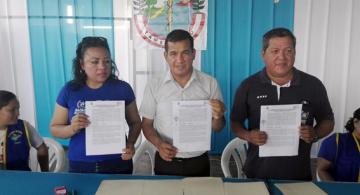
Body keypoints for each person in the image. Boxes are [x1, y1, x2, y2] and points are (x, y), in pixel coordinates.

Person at [230, 27, 334, 180]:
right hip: (257, 173)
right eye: (275, 51)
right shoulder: (248, 86)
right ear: (263, 54)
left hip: (298, 175)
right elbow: (235, 122)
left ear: (295, 53)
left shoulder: (313, 85)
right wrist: (248, 135)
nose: (282, 57)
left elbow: (328, 120)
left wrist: (315, 133)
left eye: (288, 51)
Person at [140, 29, 226, 176]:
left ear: (193, 54)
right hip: (166, 160)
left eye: (185, 53)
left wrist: (218, 116)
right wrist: (159, 145)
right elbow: (146, 125)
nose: (179, 60)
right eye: (173, 53)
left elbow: (218, 127)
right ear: (165, 56)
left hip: (199, 161)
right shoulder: (154, 85)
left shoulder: (210, 83)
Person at [50, 36, 141, 174]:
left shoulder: (122, 89)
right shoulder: (70, 90)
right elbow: (55, 128)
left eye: (107, 61)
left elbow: (135, 122)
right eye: (94, 62)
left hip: (118, 161)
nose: (102, 67)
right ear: (81, 64)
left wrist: (131, 144)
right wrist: (72, 128)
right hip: (80, 163)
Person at [0, 90, 48, 171]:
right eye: (12, 110)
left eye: (18, 108)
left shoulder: (24, 127)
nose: (18, 113)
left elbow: (42, 149)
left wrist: (45, 172)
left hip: (21, 178)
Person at [317, 108, 360, 182]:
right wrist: (335, 190)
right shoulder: (337, 141)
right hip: (343, 190)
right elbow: (322, 170)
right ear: (355, 122)